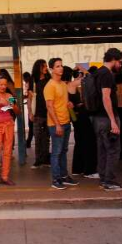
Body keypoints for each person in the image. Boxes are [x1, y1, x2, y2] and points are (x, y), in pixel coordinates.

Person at [94, 48, 122, 191]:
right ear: (113, 59)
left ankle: (103, 178)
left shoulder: (98, 73)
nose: (120, 65)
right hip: (107, 119)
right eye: (120, 62)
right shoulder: (107, 75)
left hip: (98, 119)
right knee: (113, 150)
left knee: (102, 150)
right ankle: (109, 181)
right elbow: (106, 97)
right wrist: (113, 120)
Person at [44, 58, 79, 190]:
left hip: (65, 122)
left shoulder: (63, 84)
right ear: (51, 69)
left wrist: (69, 105)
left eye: (61, 65)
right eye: (57, 66)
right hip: (56, 125)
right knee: (57, 152)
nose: (61, 68)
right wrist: (57, 125)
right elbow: (50, 107)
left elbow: (62, 103)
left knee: (63, 151)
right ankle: (56, 179)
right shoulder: (50, 86)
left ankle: (64, 176)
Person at [28, 59, 51, 169]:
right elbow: (30, 97)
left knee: (47, 137)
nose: (46, 68)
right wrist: (30, 112)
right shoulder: (33, 80)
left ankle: (46, 159)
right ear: (39, 68)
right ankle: (38, 160)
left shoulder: (49, 79)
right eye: (44, 66)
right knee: (37, 136)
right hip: (37, 112)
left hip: (49, 112)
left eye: (46, 66)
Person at [23, 72, 34, 148]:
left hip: (32, 109)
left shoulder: (29, 84)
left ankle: (28, 142)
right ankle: (28, 142)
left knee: (32, 126)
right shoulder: (31, 82)